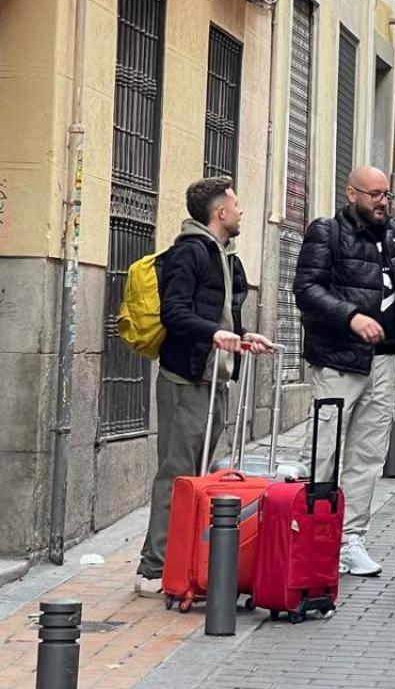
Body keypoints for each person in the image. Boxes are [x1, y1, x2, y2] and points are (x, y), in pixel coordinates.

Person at [294, 165, 395, 577]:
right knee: (325, 449)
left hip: (387, 358)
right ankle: (310, 534)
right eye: (374, 194)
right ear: (352, 193)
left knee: (367, 453)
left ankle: (349, 540)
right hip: (340, 359)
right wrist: (350, 318)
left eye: (386, 195)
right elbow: (307, 290)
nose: (382, 202)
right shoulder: (326, 232)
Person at [136, 176, 274, 596]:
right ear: (219, 212)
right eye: (235, 204)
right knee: (177, 474)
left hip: (217, 378)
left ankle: (185, 560)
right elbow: (175, 313)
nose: (240, 211)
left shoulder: (228, 258)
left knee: (201, 474)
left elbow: (226, 317)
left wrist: (245, 336)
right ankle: (152, 567)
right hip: (187, 378)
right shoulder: (189, 253)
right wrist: (213, 335)